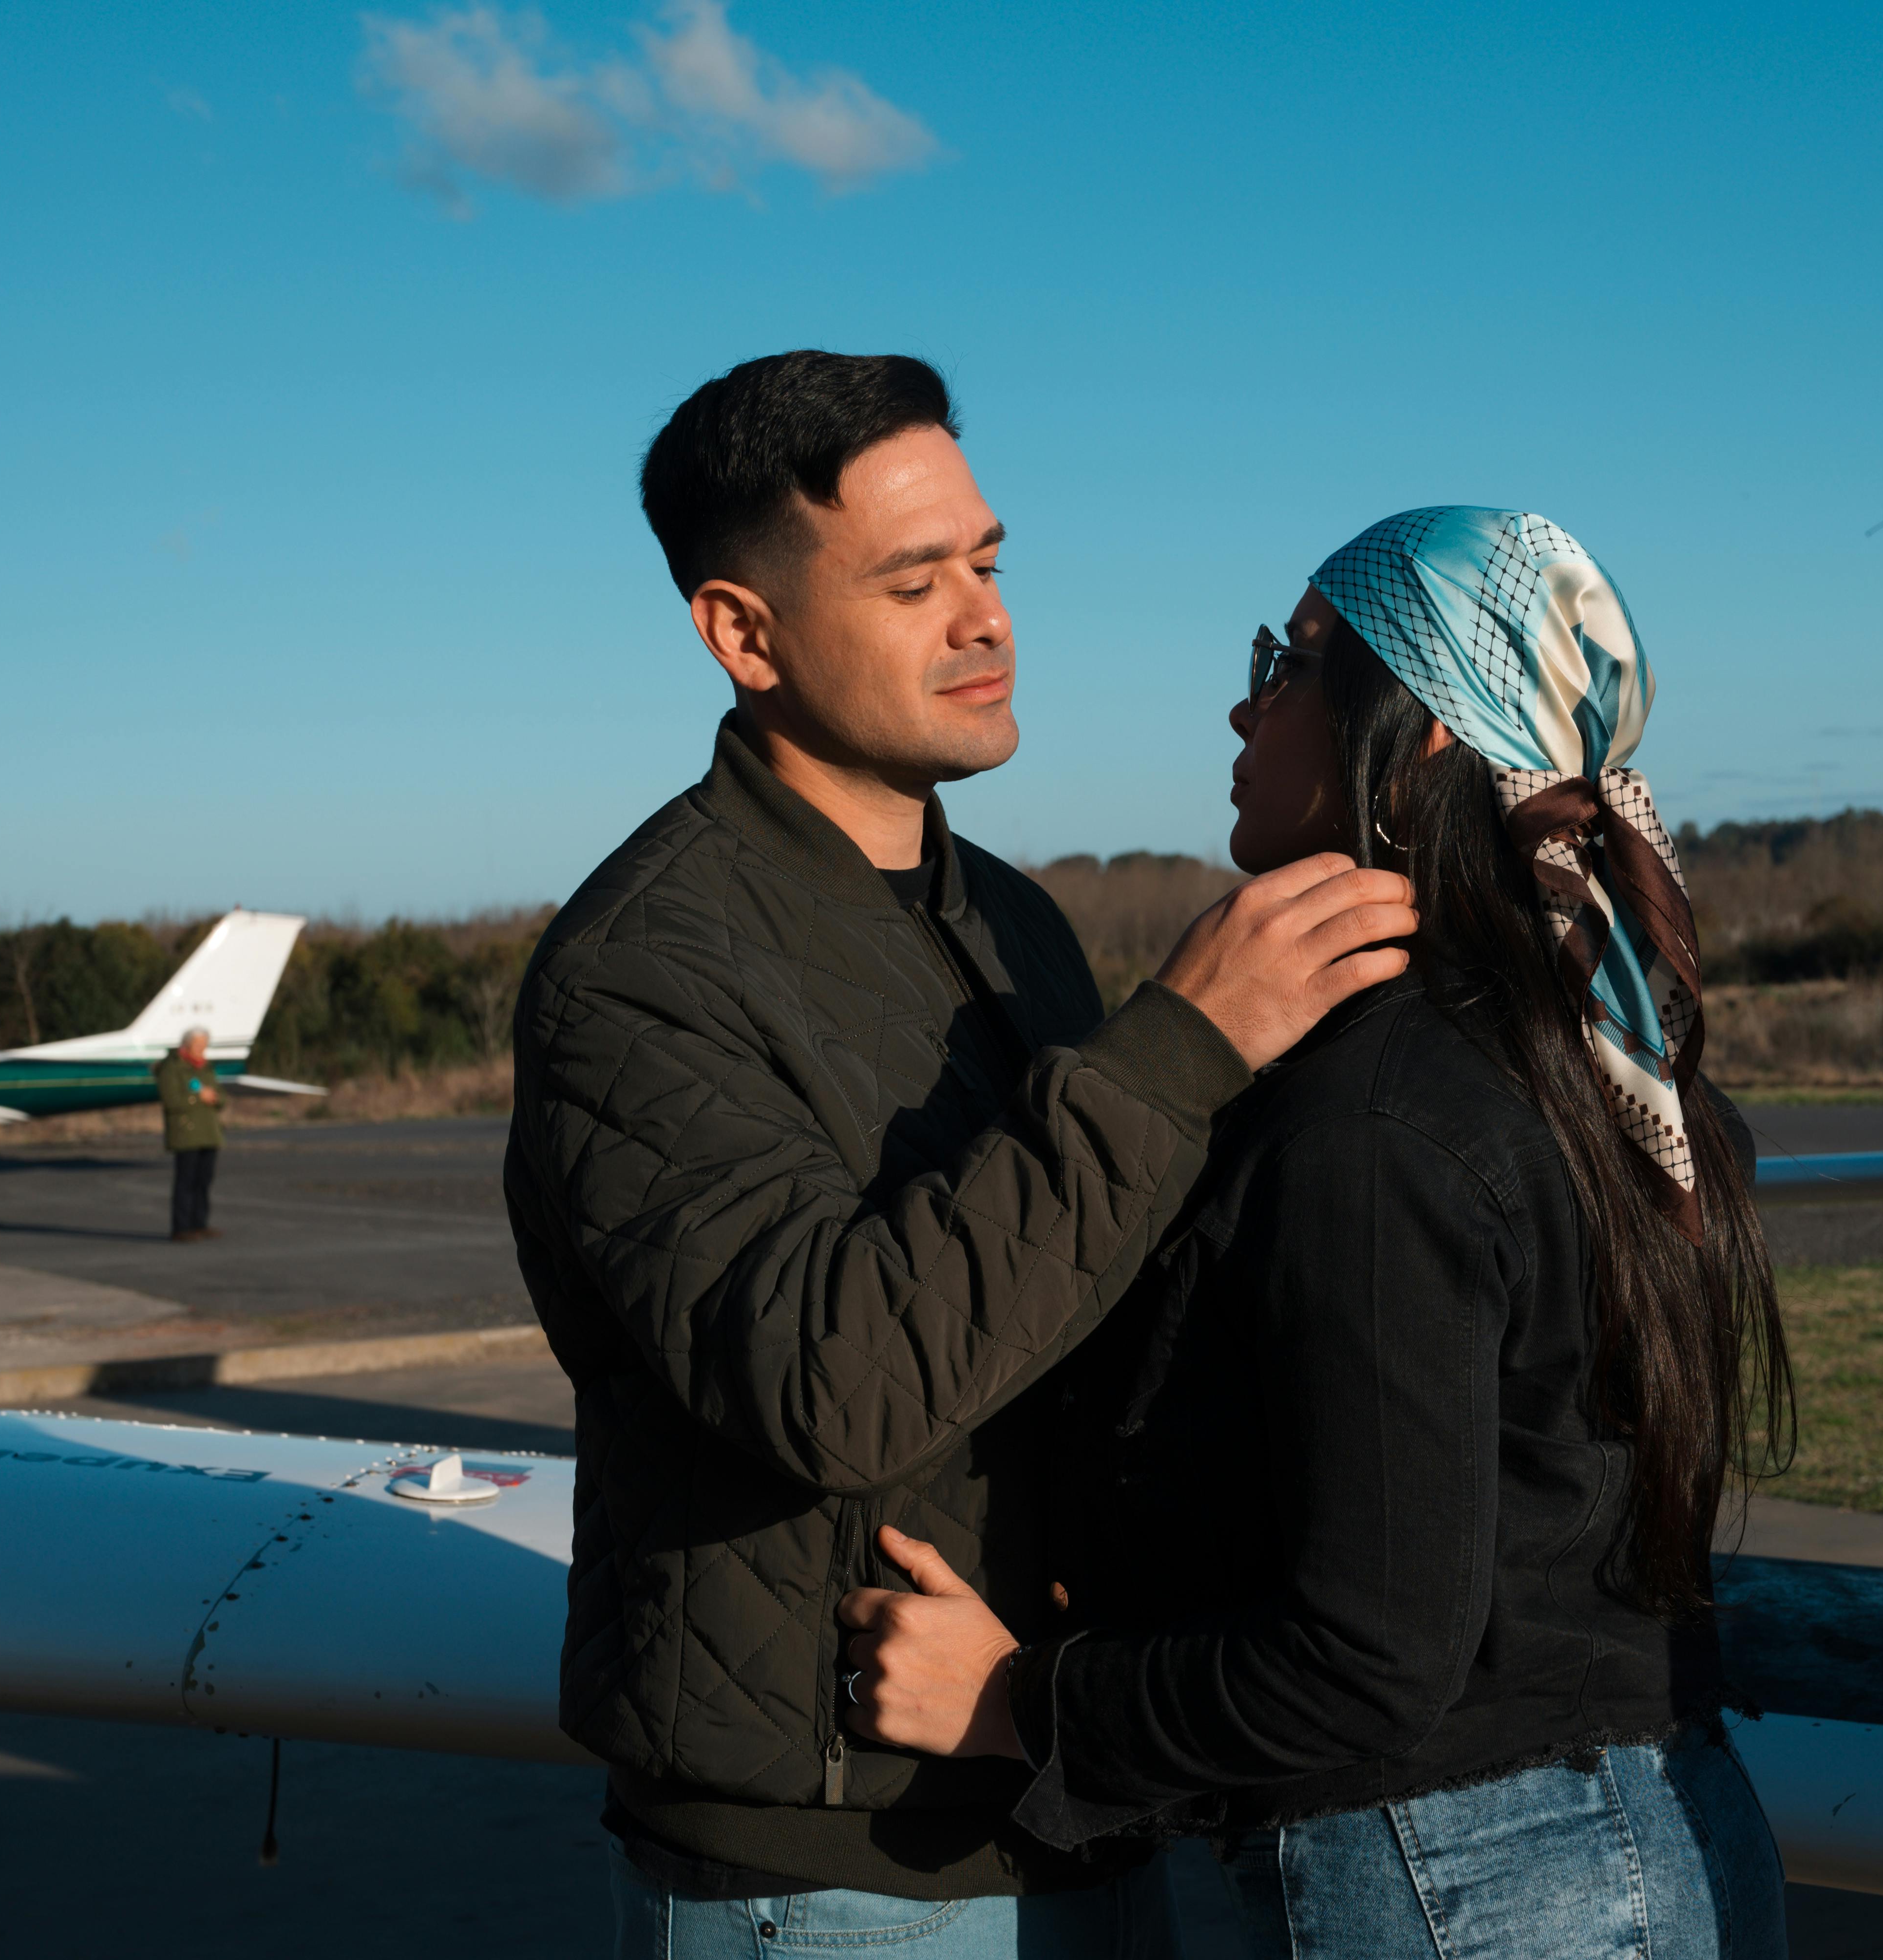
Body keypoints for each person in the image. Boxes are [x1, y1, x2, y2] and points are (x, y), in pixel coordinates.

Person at [504, 352, 1419, 1959]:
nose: (983, 619)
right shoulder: (640, 967)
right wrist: (1176, 1052)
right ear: (742, 631)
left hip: (1066, 1795)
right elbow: (828, 1376)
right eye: (912, 580)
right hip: (830, 1872)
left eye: (987, 563)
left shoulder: (1017, 923)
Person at [836, 508, 1795, 1957]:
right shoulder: (1598, 1069)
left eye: (1291, 658)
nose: (1246, 698)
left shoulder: (1383, 1117)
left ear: (1419, 740)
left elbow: (1368, 1654)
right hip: (1655, 1830)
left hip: (1462, 1879)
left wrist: (1020, 1701)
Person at [153, 1025, 225, 1242]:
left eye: (204, 1046)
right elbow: (171, 1100)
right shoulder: (172, 1068)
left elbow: (221, 1097)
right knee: (186, 1182)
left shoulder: (206, 1068)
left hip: (209, 1133)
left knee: (204, 1181)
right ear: (187, 1045)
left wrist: (215, 1098)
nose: (202, 1050)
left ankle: (199, 1224)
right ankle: (181, 1228)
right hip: (186, 1134)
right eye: (198, 1045)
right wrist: (198, 1098)